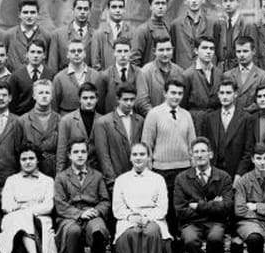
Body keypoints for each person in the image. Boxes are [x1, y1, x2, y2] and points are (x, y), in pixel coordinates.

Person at [173, 138, 236, 253]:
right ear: (191, 155)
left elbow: (227, 207)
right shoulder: (182, 178)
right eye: (196, 152)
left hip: (216, 222)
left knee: (215, 237)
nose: (199, 155)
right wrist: (213, 205)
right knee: (190, 240)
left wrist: (198, 206)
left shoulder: (223, 177)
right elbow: (180, 210)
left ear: (210, 154)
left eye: (203, 151)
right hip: (191, 223)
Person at [112, 142, 172, 253]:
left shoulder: (157, 179)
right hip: (129, 218)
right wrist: (131, 217)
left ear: (148, 157)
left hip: (153, 217)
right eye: (135, 154)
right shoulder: (121, 180)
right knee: (131, 234)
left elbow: (162, 207)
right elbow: (118, 207)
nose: (138, 158)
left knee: (151, 233)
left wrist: (147, 217)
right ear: (130, 158)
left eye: (142, 154)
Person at [0, 144, 56, 253]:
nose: (28, 162)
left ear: (37, 160)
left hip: (39, 219)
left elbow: (48, 206)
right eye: (24, 159)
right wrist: (22, 209)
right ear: (19, 161)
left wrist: (26, 210)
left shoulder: (47, 181)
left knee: (22, 220)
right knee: (20, 223)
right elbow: (6, 205)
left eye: (31, 158)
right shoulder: (12, 180)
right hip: (14, 219)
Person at [54, 140, 111, 253]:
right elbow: (60, 203)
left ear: (87, 154)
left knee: (98, 229)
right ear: (69, 155)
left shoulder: (97, 176)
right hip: (69, 216)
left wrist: (96, 211)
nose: (80, 155)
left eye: (83, 152)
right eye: (76, 152)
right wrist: (79, 214)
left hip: (92, 214)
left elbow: (105, 201)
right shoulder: (62, 177)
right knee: (73, 231)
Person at [141, 79, 197, 235]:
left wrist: (193, 166)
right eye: (173, 93)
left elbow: (192, 143)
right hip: (162, 170)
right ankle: (168, 242)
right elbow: (146, 143)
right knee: (166, 209)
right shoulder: (154, 114)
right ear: (165, 93)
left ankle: (181, 242)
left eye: (180, 93)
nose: (176, 97)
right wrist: (149, 168)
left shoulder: (186, 115)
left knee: (182, 209)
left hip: (184, 169)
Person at [92, 83, 144, 196]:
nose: (129, 103)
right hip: (115, 179)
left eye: (132, 100)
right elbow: (103, 156)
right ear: (118, 99)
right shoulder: (103, 123)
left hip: (137, 179)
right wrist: (112, 182)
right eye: (125, 99)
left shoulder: (140, 120)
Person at [200, 78, 252, 184]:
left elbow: (248, 150)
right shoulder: (209, 118)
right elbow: (204, 146)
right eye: (222, 93)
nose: (224, 96)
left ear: (235, 94)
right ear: (218, 95)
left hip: (235, 173)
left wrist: (240, 174)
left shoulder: (246, 118)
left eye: (228, 93)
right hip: (213, 173)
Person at [170, 0, 223, 68]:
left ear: (202, 0)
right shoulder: (175, 25)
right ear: (185, 1)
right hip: (183, 71)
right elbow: (172, 54)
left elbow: (220, 54)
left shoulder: (213, 23)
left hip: (207, 71)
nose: (194, 1)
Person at [56, 82, 102, 172]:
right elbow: (61, 151)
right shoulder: (67, 120)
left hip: (96, 171)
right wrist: (59, 175)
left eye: (92, 98)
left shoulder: (102, 120)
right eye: (85, 98)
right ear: (79, 99)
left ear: (97, 99)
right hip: (73, 170)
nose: (88, 101)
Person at [18, 79, 61, 177]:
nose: (44, 96)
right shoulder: (23, 120)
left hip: (53, 170)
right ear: (34, 96)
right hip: (29, 170)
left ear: (52, 96)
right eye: (40, 93)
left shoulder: (60, 120)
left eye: (47, 92)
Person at [134, 35, 185, 115]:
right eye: (161, 50)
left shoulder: (179, 71)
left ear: (173, 50)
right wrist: (157, 117)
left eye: (168, 49)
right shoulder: (145, 72)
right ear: (154, 51)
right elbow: (142, 101)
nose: (165, 54)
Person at [52, 38, 103, 115]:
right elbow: (54, 106)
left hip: (91, 118)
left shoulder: (96, 75)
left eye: (79, 51)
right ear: (67, 55)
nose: (76, 54)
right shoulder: (59, 78)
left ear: (84, 54)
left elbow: (100, 103)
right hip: (67, 118)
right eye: (73, 51)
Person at [182, 35, 222, 131]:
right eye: (204, 48)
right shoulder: (188, 75)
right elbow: (183, 105)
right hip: (195, 122)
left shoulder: (219, 73)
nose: (208, 52)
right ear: (196, 50)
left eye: (211, 49)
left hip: (216, 122)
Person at [222, 35, 265, 113]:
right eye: (238, 51)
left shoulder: (263, 76)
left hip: (255, 117)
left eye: (245, 51)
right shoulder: (227, 75)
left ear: (253, 51)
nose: (242, 55)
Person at [7, 39, 55, 116]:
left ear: (44, 55)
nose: (35, 55)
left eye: (39, 52)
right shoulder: (16, 76)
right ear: (27, 54)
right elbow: (12, 103)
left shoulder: (51, 75)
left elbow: (54, 101)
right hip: (21, 117)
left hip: (44, 116)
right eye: (32, 52)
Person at [48, 0, 94, 72]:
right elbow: (52, 66)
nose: (82, 12)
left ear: (90, 11)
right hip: (65, 77)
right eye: (79, 8)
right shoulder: (58, 35)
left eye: (86, 9)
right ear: (73, 10)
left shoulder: (96, 35)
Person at [4, 0, 53, 73]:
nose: (29, 16)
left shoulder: (46, 35)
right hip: (14, 76)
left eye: (32, 12)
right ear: (19, 14)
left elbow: (49, 60)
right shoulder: (9, 35)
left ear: (38, 15)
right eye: (25, 12)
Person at [90, 0, 134, 71]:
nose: (118, 10)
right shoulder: (99, 34)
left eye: (120, 7)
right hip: (105, 77)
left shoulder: (132, 32)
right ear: (108, 9)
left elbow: (134, 59)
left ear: (124, 10)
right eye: (114, 7)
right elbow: (96, 64)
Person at [97, 36, 140, 114]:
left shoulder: (138, 73)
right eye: (119, 51)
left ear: (130, 52)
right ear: (114, 53)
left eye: (126, 51)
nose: (123, 55)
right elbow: (100, 105)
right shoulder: (105, 76)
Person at [130, 0, 170, 67]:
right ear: (150, 7)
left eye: (163, 3)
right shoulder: (142, 30)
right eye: (157, 3)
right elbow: (134, 61)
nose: (160, 7)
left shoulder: (167, 28)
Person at [218, 0, 251, 71]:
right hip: (224, 71)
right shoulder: (221, 24)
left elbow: (252, 53)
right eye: (225, 1)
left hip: (241, 70)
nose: (228, 4)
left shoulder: (246, 25)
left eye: (231, 0)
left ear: (238, 3)